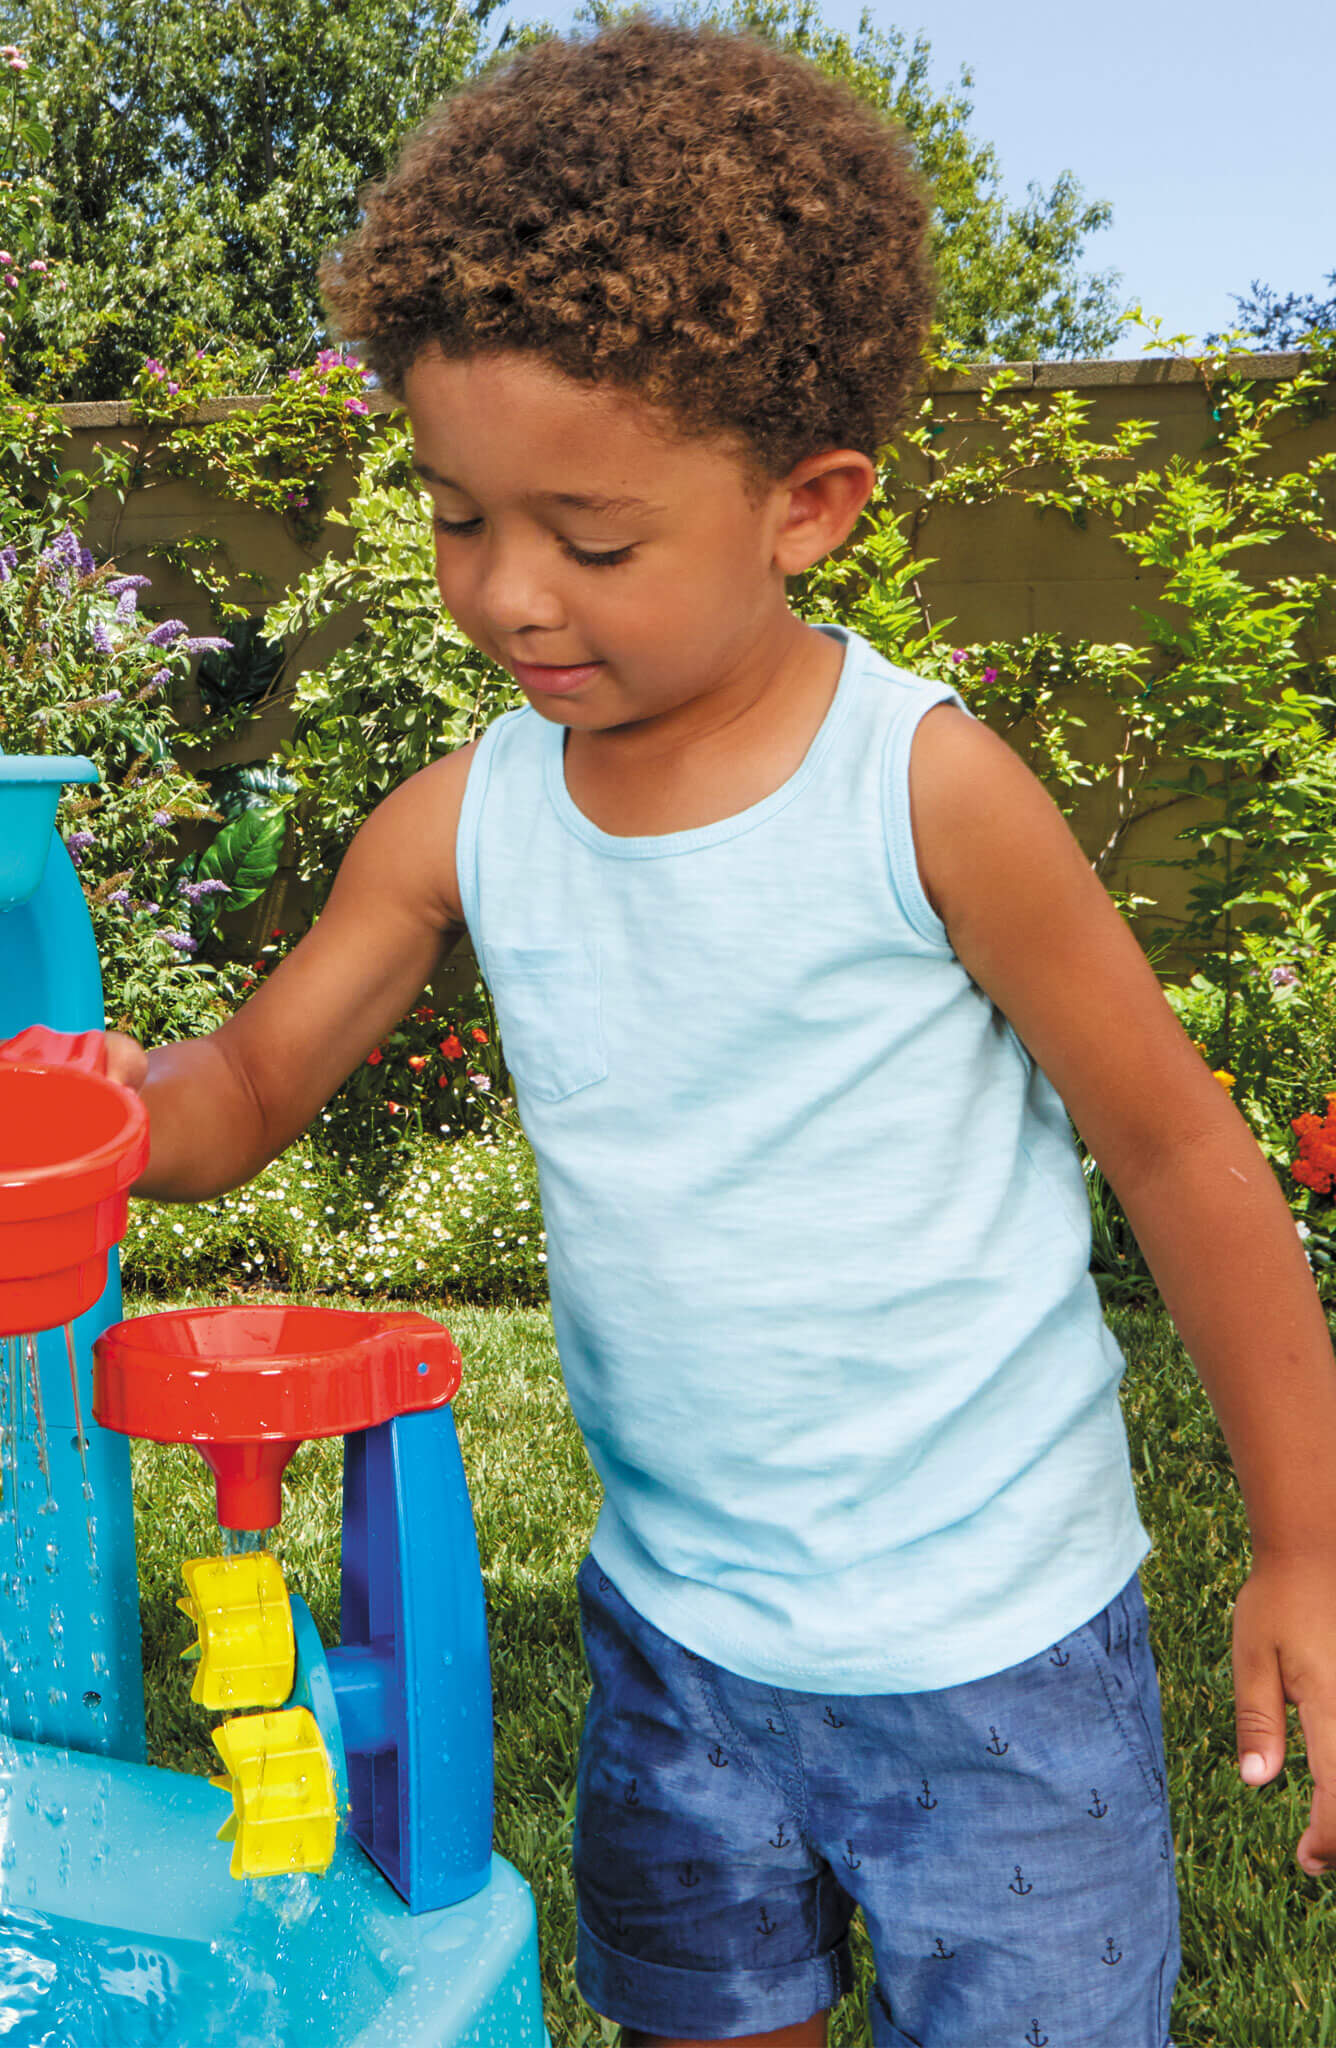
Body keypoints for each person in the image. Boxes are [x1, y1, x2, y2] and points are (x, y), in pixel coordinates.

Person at [100, 18, 1336, 2045]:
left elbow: (1181, 1151)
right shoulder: (466, 817)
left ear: (808, 505)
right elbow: (241, 1089)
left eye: (589, 540)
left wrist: (1294, 1541)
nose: (508, 594)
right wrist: (112, 1118)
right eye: (454, 517)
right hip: (679, 1645)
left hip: (994, 1660)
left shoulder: (921, 792)